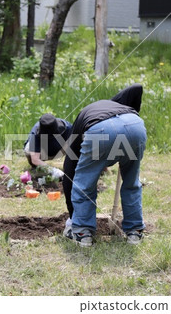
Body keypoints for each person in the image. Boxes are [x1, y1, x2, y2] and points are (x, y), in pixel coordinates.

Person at [62, 84, 146, 247]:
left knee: (83, 184)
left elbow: (70, 172)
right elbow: (136, 88)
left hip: (100, 129)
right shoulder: (119, 107)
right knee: (131, 182)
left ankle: (82, 232)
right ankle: (134, 232)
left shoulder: (82, 120)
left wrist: (73, 217)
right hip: (136, 125)